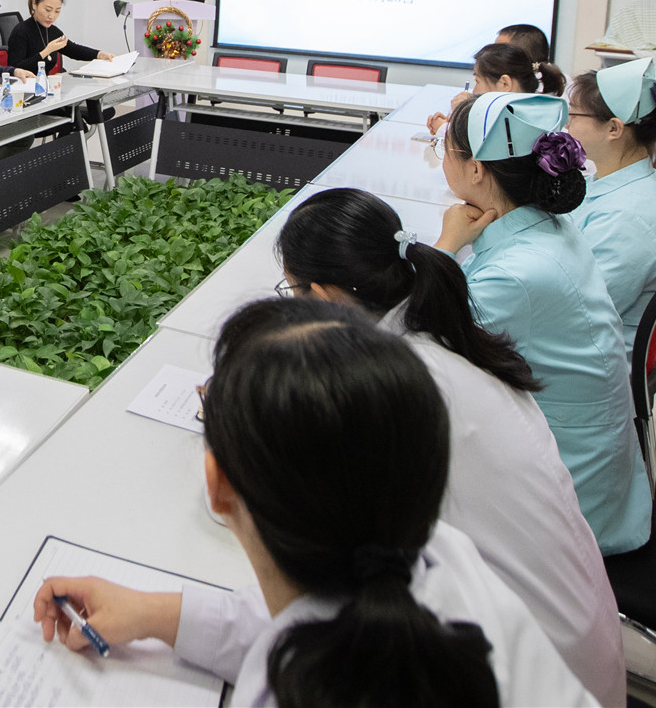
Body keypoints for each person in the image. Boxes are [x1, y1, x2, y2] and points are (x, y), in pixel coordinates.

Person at [32, 299, 593, 707]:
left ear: (219, 485)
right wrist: (155, 614)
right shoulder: (443, 557)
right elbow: (312, 616)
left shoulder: (290, 690)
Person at [276, 188, 624, 707]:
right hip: (572, 632)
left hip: (535, 673)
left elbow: (326, 539)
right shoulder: (441, 335)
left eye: (291, 292)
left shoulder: (404, 388)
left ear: (324, 298)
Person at [435, 92, 650, 556]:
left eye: (445, 149)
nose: (442, 159)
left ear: (476, 170)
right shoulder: (544, 225)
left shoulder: (516, 274)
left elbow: (416, 342)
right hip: (584, 459)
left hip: (571, 508)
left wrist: (445, 246)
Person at [567, 58, 656, 349]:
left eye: (573, 115)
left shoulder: (628, 219)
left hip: (587, 357)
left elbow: (576, 312)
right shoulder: (609, 182)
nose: (566, 124)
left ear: (614, 128)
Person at [427, 42, 566, 133]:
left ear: (505, 84)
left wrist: (451, 125)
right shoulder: (530, 112)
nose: (474, 91)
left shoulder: (508, 124)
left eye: (478, 81)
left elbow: (471, 155)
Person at [5, 0, 113, 77]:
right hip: (24, 87)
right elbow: (16, 68)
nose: (52, 16)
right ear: (34, 4)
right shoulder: (21, 31)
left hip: (45, 85)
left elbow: (73, 50)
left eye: (57, 11)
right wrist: (46, 51)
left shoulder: (53, 31)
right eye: (48, 10)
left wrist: (99, 54)